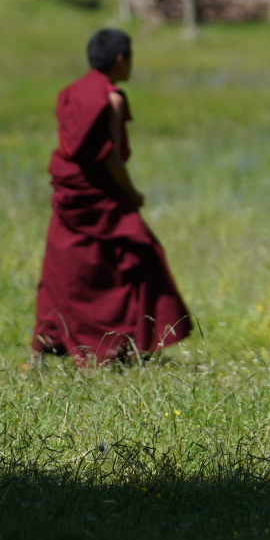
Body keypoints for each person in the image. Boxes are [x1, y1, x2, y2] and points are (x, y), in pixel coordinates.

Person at [32, 28, 191, 365]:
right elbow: (110, 156)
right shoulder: (111, 98)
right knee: (142, 255)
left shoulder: (70, 92)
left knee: (69, 267)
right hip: (102, 194)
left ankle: (55, 338)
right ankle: (123, 343)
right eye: (131, 59)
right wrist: (132, 194)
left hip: (72, 195)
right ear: (121, 60)